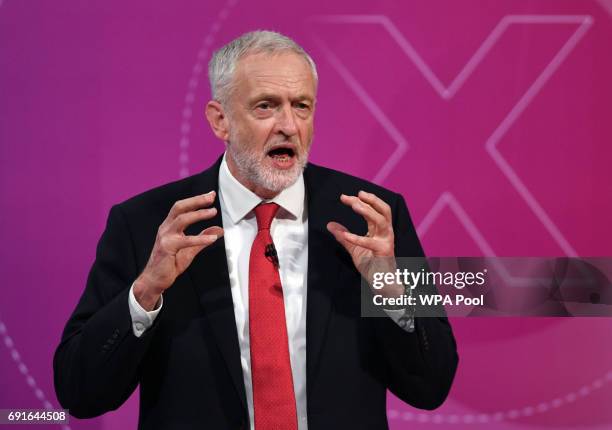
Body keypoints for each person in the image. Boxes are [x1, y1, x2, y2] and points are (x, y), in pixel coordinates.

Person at [53, 30, 458, 430]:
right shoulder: (147, 224)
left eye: (302, 106)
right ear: (220, 120)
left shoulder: (370, 218)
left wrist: (391, 291)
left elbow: (432, 385)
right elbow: (80, 393)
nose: (289, 126)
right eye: (266, 106)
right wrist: (145, 292)